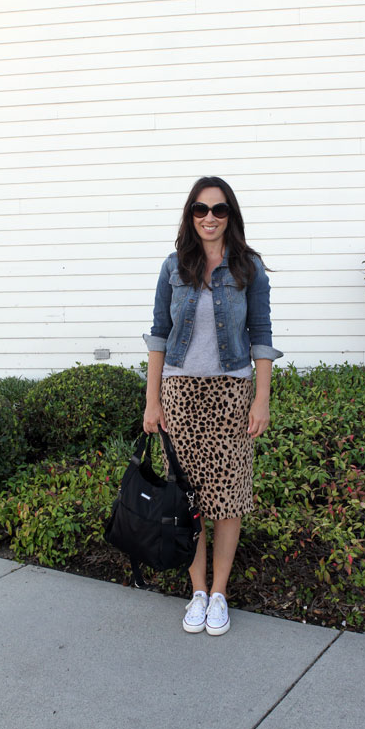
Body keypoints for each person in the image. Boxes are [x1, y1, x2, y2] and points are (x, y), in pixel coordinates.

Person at [142, 176, 282, 635]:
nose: (209, 217)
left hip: (230, 395)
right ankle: (197, 591)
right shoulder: (173, 267)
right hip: (179, 396)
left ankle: (219, 592)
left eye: (218, 209)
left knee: (227, 496)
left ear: (230, 216)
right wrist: (152, 401)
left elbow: (261, 334)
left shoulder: (249, 267)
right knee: (186, 497)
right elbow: (159, 336)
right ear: (191, 215)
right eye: (200, 209)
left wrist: (261, 400)